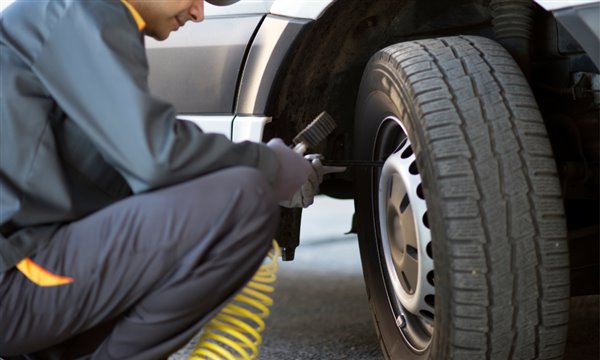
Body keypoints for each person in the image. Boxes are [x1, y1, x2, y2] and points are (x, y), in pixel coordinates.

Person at [0, 0, 329, 358]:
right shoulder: (77, 10)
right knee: (241, 199)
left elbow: (133, 171)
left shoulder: (80, 17)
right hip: (14, 276)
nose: (199, 13)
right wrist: (270, 165)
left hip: (24, 269)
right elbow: (155, 155)